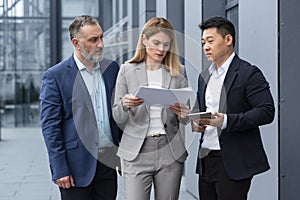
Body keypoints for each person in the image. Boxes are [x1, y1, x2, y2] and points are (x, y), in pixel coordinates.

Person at [191, 16, 275, 200]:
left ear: (228, 40)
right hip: (206, 159)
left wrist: (227, 121)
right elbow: (201, 109)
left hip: (234, 161)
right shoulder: (204, 76)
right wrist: (197, 123)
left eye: (210, 41)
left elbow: (267, 111)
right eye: (203, 42)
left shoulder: (248, 73)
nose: (205, 46)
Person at [40, 15, 121, 200]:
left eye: (101, 37)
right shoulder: (55, 76)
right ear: (76, 42)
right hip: (75, 168)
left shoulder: (112, 69)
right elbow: (50, 127)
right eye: (93, 40)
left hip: (107, 164)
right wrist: (59, 168)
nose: (100, 44)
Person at [112, 17, 190, 200]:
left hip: (169, 151)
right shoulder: (127, 70)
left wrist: (185, 113)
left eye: (166, 44)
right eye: (156, 43)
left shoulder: (178, 72)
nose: (161, 49)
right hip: (136, 152)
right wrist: (124, 104)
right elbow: (117, 115)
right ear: (144, 39)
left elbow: (188, 116)